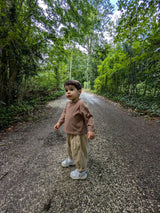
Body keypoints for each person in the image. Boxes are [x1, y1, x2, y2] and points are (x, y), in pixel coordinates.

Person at [54, 80, 95, 180]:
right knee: (70, 148)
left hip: (79, 133)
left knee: (79, 151)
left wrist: (91, 130)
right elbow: (64, 115)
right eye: (66, 90)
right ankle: (72, 160)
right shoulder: (68, 104)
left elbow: (89, 117)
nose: (68, 92)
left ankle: (81, 171)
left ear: (79, 91)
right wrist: (59, 123)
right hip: (69, 132)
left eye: (71, 89)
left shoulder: (81, 104)